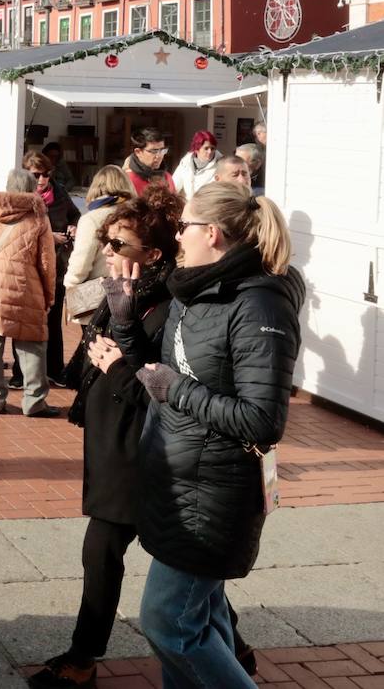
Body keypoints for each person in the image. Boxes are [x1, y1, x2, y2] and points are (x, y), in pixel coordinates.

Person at [135, 182, 302, 688]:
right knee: (200, 621)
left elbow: (263, 420)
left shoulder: (259, 305)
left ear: (212, 232)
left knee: (170, 623)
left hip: (215, 492)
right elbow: (160, 369)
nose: (177, 235)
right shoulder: (195, 289)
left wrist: (178, 391)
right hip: (179, 479)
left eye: (184, 226)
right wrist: (125, 319)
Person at [31, 188, 184, 689]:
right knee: (177, 558)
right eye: (108, 241)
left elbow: (161, 387)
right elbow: (89, 362)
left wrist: (117, 365)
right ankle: (233, 643)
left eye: (121, 244)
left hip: (139, 445)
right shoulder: (123, 292)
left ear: (153, 255)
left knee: (106, 549)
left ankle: (82, 659)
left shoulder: (169, 308)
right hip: (111, 437)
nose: (110, 251)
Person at [0, 169, 60, 417]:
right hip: (26, 289)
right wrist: (49, 295)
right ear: (32, 189)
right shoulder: (39, 217)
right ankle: (34, 402)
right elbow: (46, 263)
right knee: (32, 346)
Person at [24, 150, 81, 388]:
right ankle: (23, 373)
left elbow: (75, 214)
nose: (42, 180)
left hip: (56, 267)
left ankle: (55, 370)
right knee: (30, 322)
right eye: (37, 174)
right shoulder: (23, 198)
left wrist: (73, 226)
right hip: (32, 268)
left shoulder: (59, 193)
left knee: (54, 319)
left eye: (46, 174)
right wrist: (49, 237)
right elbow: (22, 232)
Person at [63, 166, 137, 325]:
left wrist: (69, 289)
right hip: (130, 291)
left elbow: (81, 263)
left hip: (97, 300)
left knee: (93, 345)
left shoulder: (92, 219)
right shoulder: (136, 215)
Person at [122, 127, 174, 196]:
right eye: (153, 151)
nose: (159, 156)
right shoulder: (127, 180)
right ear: (138, 152)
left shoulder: (167, 177)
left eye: (162, 150)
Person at [171, 130, 221, 199]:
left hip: (209, 207)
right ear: (196, 149)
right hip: (189, 207)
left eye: (212, 148)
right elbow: (173, 187)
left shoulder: (221, 164)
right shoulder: (185, 162)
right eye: (206, 148)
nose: (210, 152)